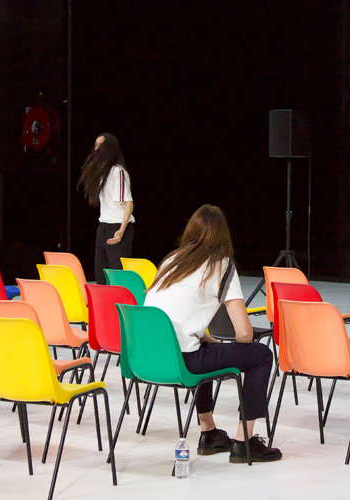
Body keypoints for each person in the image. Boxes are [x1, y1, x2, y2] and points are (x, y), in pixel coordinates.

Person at [144, 204, 281, 463]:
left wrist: (206, 337)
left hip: (150, 358)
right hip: (183, 361)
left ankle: (208, 433)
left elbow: (169, 317)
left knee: (203, 347)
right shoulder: (221, 266)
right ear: (223, 236)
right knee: (261, 355)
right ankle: (245, 442)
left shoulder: (171, 261)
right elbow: (244, 334)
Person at [77, 133, 135, 285]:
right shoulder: (103, 172)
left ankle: (121, 304)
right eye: (95, 145)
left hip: (117, 225)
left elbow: (129, 203)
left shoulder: (118, 172)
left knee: (117, 273)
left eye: (100, 145)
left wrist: (121, 231)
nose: (96, 148)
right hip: (104, 225)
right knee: (101, 272)